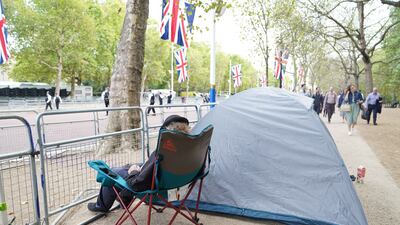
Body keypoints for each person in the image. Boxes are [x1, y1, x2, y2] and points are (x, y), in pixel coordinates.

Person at [87, 115, 191, 213]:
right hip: (172, 184)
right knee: (130, 166)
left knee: (112, 172)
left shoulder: (161, 153)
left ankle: (102, 206)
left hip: (151, 186)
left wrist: (134, 172)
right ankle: (125, 198)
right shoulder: (186, 153)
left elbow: (136, 184)